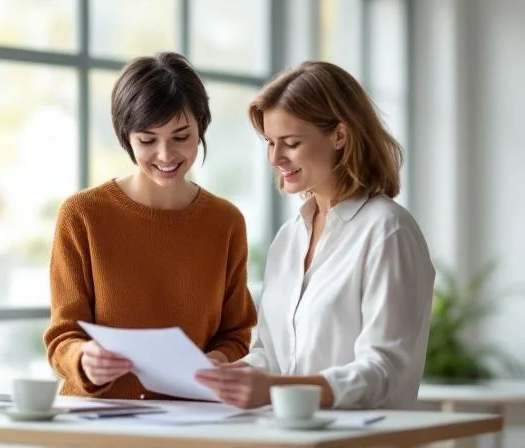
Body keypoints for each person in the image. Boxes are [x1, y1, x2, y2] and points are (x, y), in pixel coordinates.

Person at [196, 61, 435, 410]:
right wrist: (228, 374)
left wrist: (277, 389)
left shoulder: (388, 231)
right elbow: (270, 355)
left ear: (339, 135)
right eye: (270, 142)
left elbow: (384, 371)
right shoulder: (288, 238)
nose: (276, 157)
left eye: (291, 142)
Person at [44, 52, 257, 400]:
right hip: (98, 422)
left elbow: (236, 334)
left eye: (181, 136)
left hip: (194, 420)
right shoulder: (83, 215)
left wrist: (215, 362)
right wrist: (84, 359)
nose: (165, 155)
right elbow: (62, 335)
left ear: (200, 127)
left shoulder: (225, 222)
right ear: (126, 136)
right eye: (147, 140)